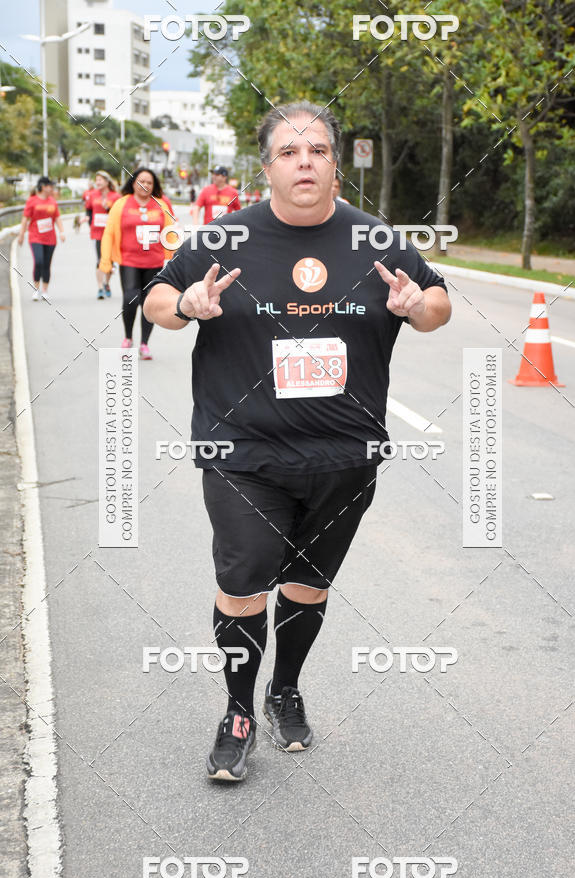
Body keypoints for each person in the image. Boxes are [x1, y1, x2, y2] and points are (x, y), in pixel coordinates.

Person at [144, 100, 451, 782]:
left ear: (336, 166)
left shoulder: (378, 241)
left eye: (316, 150)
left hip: (345, 456)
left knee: (308, 587)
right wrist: (187, 305)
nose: (303, 161)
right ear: (268, 167)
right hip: (243, 454)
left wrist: (417, 307)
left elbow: (437, 303)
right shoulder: (220, 241)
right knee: (244, 581)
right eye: (288, 151)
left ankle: (285, 687)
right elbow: (157, 301)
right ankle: (237, 710)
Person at [99, 168, 175, 360]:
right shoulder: (121, 204)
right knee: (130, 298)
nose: (145, 185)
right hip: (129, 261)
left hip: (154, 261)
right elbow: (108, 233)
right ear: (133, 183)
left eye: (149, 182)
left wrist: (174, 258)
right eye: (141, 181)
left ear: (154, 185)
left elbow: (171, 231)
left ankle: (144, 344)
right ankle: (128, 337)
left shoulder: (162, 204)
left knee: (149, 303)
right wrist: (105, 260)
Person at [17, 176, 65, 301]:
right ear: (43, 187)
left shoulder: (52, 201)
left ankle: (45, 290)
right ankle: (36, 289)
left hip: (50, 238)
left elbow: (57, 217)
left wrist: (62, 232)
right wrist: (21, 235)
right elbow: (25, 219)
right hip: (35, 237)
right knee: (38, 261)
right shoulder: (32, 201)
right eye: (50, 186)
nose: (52, 188)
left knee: (46, 264)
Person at [88, 171, 120, 300]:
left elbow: (118, 213)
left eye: (100, 180)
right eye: (96, 180)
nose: (98, 182)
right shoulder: (92, 195)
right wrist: (90, 222)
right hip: (97, 233)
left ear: (107, 181)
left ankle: (107, 283)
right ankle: (100, 288)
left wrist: (107, 209)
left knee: (110, 262)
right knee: (100, 260)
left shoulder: (115, 196)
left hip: (111, 233)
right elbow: (88, 209)